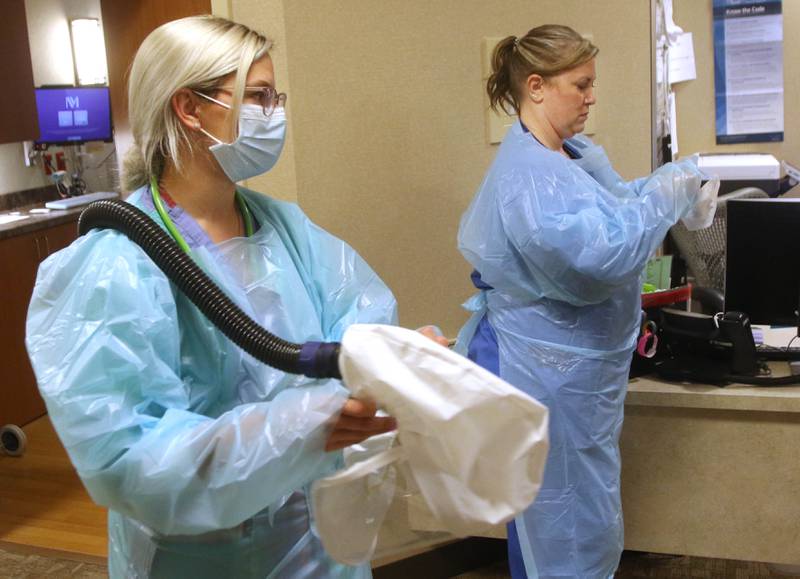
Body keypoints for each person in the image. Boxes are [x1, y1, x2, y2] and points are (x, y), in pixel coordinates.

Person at [26, 15, 444, 578]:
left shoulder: (284, 230)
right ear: (190, 108)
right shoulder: (116, 263)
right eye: (258, 97)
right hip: (205, 556)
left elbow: (357, 324)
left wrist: (396, 358)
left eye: (277, 97)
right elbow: (127, 460)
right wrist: (297, 427)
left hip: (317, 543)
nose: (275, 115)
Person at [456, 25, 709, 579]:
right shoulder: (527, 176)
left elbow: (617, 207)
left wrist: (670, 183)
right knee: (558, 520)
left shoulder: (572, 153)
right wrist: (665, 198)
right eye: (582, 83)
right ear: (538, 86)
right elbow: (599, 257)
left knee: (580, 508)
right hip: (541, 369)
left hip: (573, 370)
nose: (592, 97)